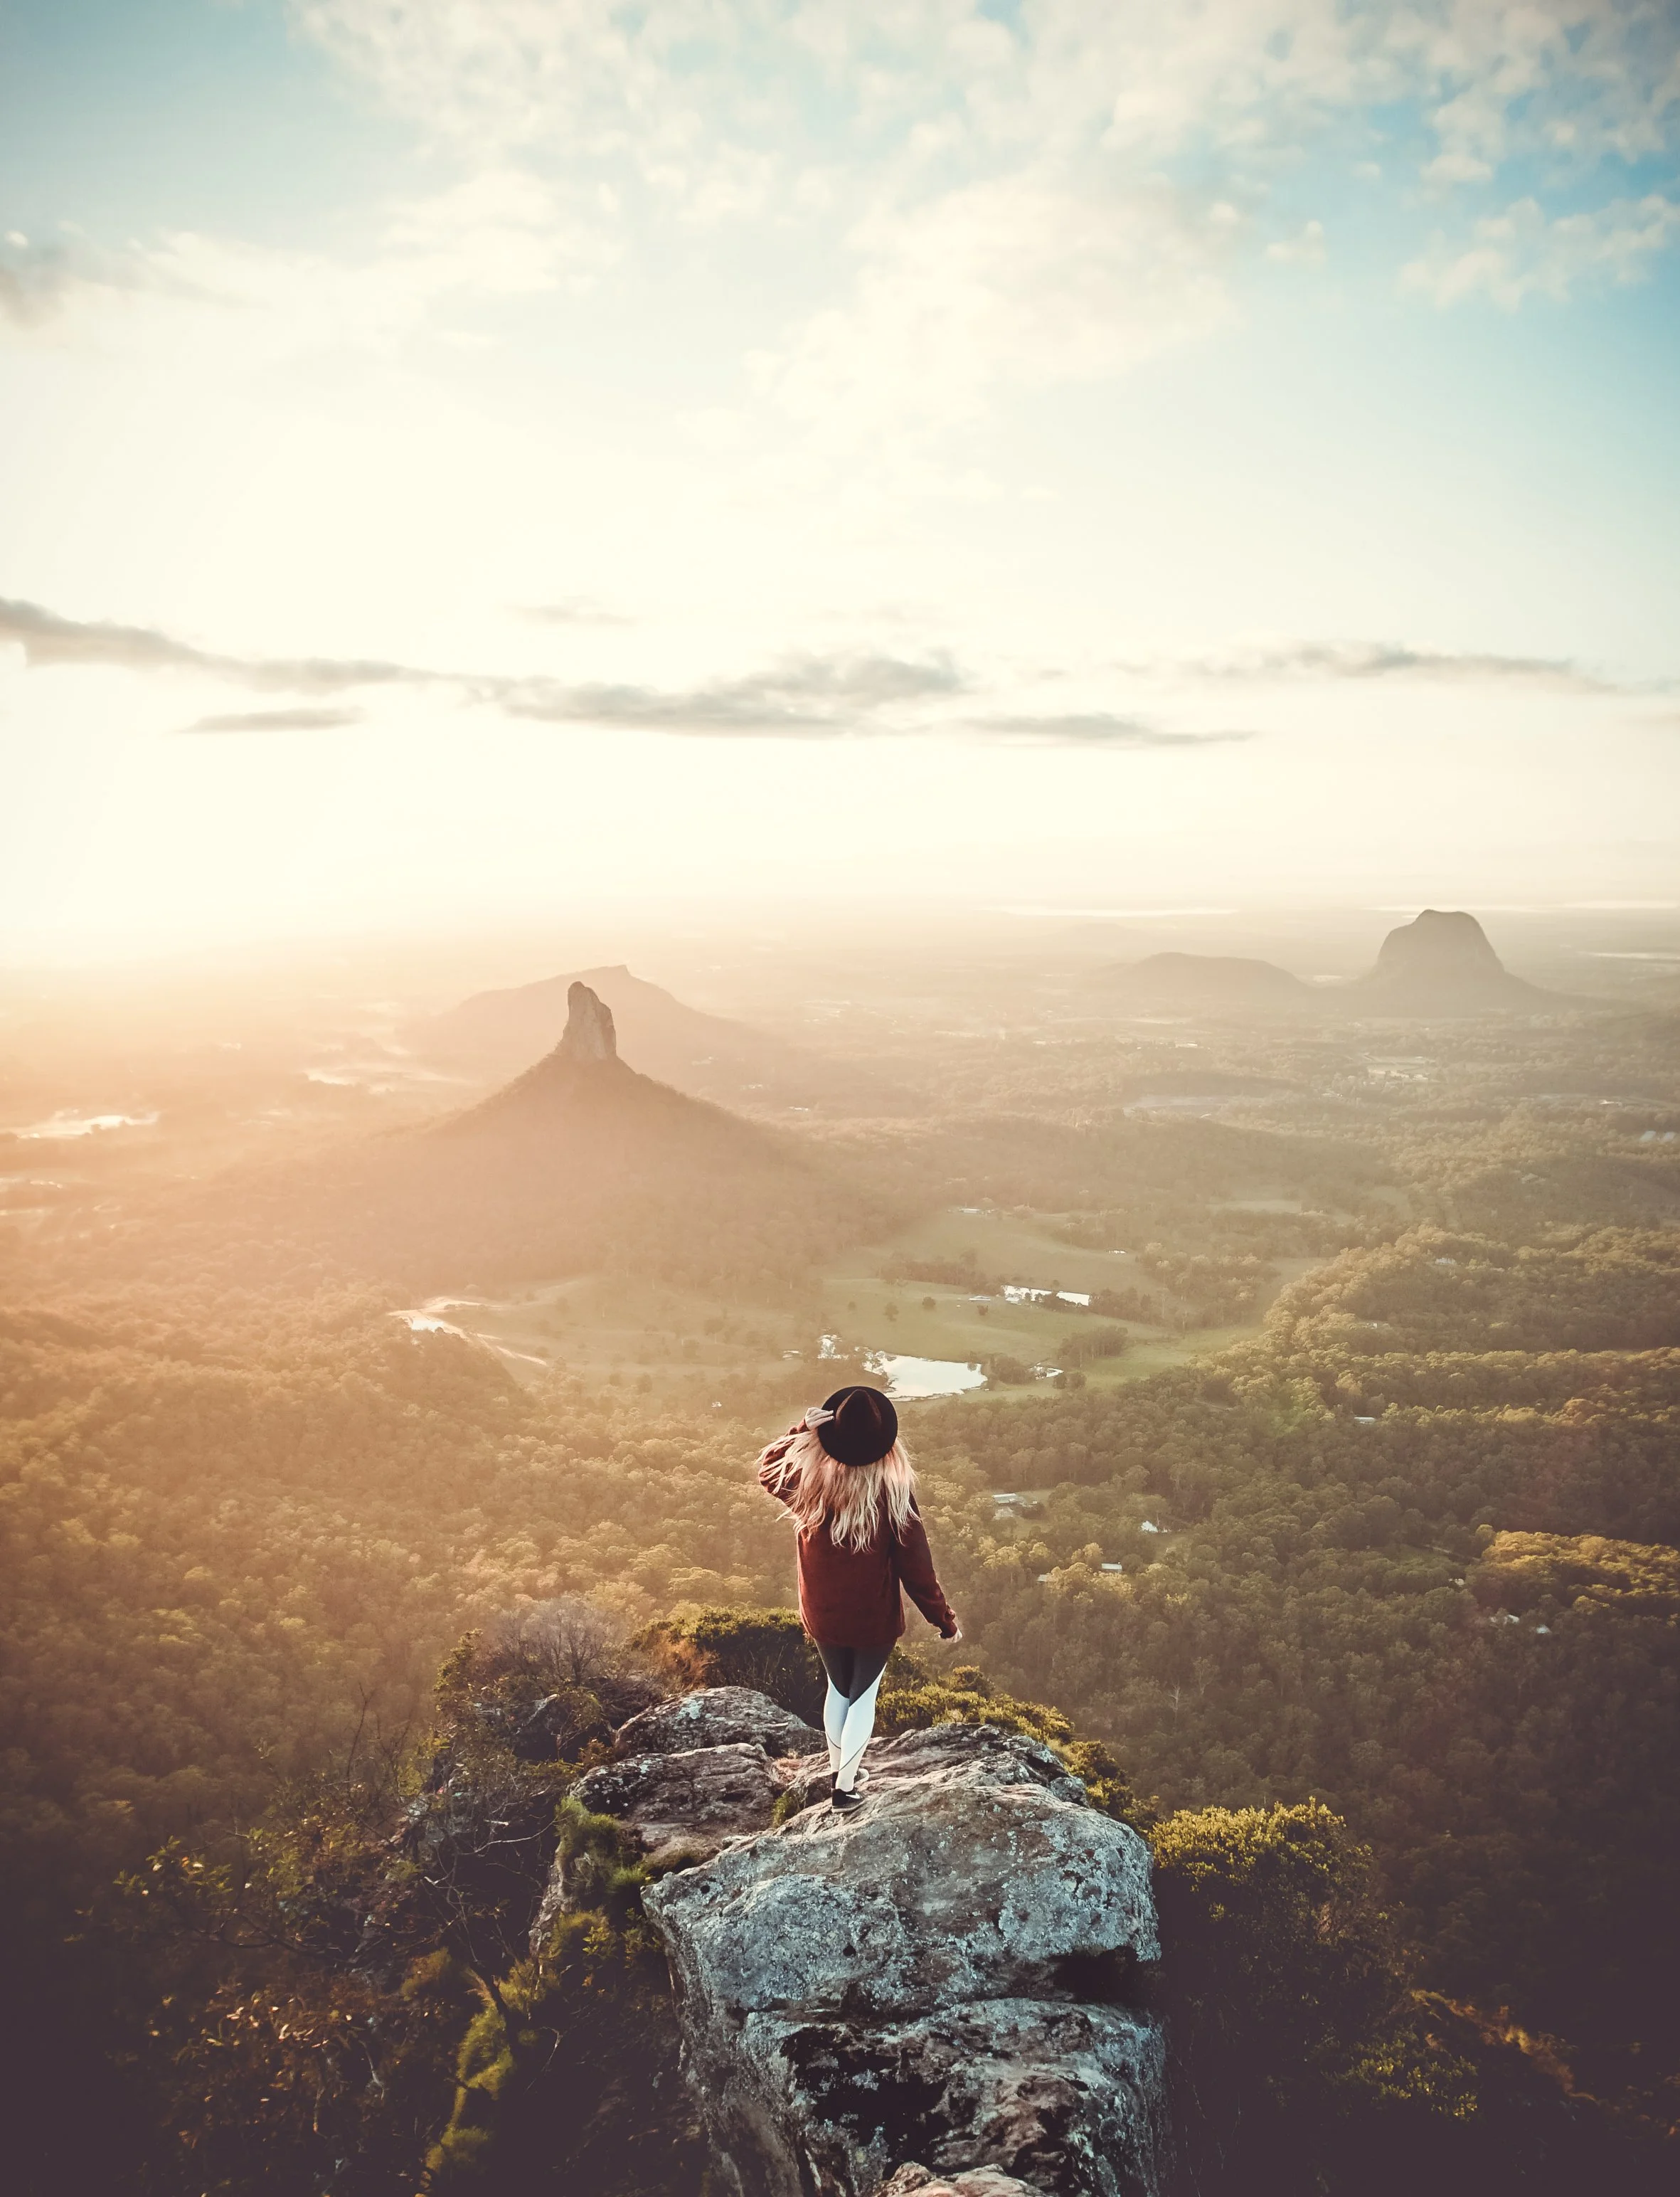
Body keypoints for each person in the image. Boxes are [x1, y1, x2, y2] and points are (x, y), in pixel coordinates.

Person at [757, 1383, 959, 1814]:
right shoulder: (893, 1496)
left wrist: (800, 1431)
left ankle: (840, 1772)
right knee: (862, 1696)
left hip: (822, 1612)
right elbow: (917, 1571)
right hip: (871, 1619)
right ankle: (844, 1790)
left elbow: (766, 1470)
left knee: (839, 1690)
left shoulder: (807, 1484)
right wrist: (944, 1619)